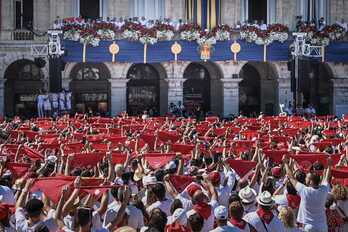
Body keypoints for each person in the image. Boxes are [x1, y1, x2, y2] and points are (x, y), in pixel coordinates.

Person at [284, 155, 332, 232]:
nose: (305, 178)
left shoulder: (304, 190)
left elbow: (291, 177)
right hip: (322, 226)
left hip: (309, 227)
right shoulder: (324, 189)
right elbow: (326, 177)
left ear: (311, 182)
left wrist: (286, 163)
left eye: (307, 177)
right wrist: (329, 166)